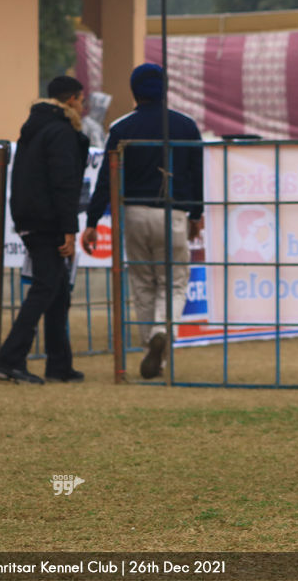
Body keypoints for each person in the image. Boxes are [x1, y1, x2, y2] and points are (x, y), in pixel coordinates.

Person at [82, 63, 203, 379]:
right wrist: (196, 214)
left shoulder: (121, 128)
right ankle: (161, 336)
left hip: (134, 213)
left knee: (142, 282)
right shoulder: (186, 126)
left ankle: (151, 345)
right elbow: (196, 175)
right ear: (166, 88)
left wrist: (92, 220)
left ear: (134, 91)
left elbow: (106, 179)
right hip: (173, 212)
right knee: (174, 282)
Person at [0, 76, 90, 384]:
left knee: (57, 291)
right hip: (48, 221)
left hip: (29, 217)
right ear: (72, 99)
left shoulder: (35, 127)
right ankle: (9, 360)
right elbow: (64, 183)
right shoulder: (61, 132)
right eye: (82, 101)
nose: (83, 107)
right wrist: (69, 229)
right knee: (46, 287)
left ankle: (59, 364)